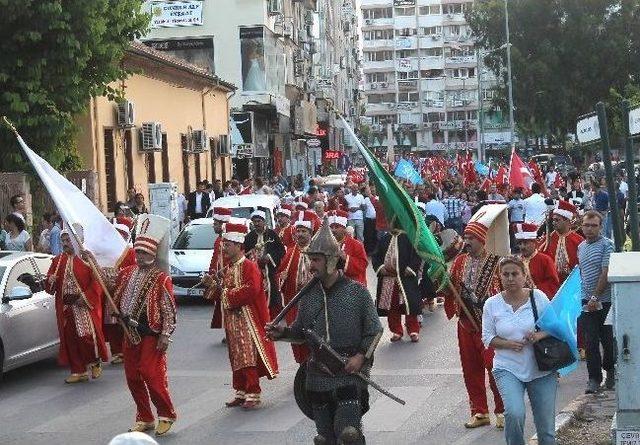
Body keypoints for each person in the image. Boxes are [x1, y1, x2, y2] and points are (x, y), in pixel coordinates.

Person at [266, 219, 384, 445]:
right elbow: (302, 332)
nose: (311, 265)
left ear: (331, 261)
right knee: (324, 439)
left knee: (349, 434)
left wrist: (360, 357)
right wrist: (283, 334)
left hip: (348, 374)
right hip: (317, 376)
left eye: (316, 260)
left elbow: (375, 330)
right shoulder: (308, 295)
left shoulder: (357, 293)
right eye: (311, 259)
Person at [109, 214, 177, 435]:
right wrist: (90, 259)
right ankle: (145, 416)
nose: (139, 256)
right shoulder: (127, 273)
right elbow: (109, 280)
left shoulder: (161, 278)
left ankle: (166, 413)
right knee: (131, 376)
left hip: (150, 334)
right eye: (137, 251)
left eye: (144, 252)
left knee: (150, 374)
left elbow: (168, 310)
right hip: (129, 333)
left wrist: (166, 335)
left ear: (153, 253)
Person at [443, 205, 506, 429]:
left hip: (490, 326)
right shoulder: (459, 262)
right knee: (470, 369)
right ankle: (479, 411)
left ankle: (502, 409)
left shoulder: (498, 263)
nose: (467, 241)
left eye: (471, 237)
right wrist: (444, 283)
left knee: (495, 367)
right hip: (465, 323)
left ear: (482, 239)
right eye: (465, 236)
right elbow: (449, 288)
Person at [483, 256, 557, 445]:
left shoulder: (538, 297)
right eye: (505, 274)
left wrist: (538, 336)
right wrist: (508, 344)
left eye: (515, 274)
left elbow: (555, 326)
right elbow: (487, 337)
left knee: (546, 429)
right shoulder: (492, 304)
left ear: (524, 276)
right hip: (507, 367)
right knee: (514, 413)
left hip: (541, 369)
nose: (510, 278)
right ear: (500, 277)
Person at [205, 223, 279, 409]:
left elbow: (251, 290)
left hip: (247, 320)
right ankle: (241, 390)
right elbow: (219, 292)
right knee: (236, 356)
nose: (224, 248)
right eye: (224, 244)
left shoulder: (249, 267)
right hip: (233, 320)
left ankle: (253, 392)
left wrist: (225, 294)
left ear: (239, 246)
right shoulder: (229, 268)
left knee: (246, 355)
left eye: (228, 245)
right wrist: (210, 284)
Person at [44, 225, 108, 383]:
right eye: (63, 240)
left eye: (68, 240)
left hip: (83, 305)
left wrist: (85, 297)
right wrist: (50, 281)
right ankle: (78, 370)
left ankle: (94, 362)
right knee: (70, 339)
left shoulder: (86, 258)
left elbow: (98, 281)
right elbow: (50, 285)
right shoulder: (58, 260)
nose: (65, 243)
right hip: (66, 307)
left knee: (86, 336)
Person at [577, 210, 615, 394]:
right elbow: (583, 274)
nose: (590, 229)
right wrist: (586, 298)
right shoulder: (581, 246)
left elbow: (605, 272)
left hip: (605, 301)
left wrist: (595, 297)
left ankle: (611, 371)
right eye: (586, 225)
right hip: (587, 301)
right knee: (590, 342)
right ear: (582, 226)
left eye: (594, 225)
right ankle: (594, 378)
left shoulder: (607, 245)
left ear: (601, 227)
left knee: (608, 340)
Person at [275, 212, 317, 363]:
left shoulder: (317, 251)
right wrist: (282, 277)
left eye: (303, 231)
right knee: (295, 334)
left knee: (313, 335)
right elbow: (280, 273)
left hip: (314, 302)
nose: (299, 234)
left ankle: (314, 362)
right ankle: (302, 364)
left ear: (310, 233)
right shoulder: (291, 252)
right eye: (298, 231)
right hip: (294, 303)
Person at [373, 222, 423, 342]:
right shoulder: (384, 239)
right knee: (392, 306)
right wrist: (381, 268)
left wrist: (410, 269)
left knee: (409, 305)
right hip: (388, 279)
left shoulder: (408, 238)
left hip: (405, 278)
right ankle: (396, 331)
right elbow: (376, 256)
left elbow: (416, 256)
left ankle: (413, 330)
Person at [102, 223, 138, 365]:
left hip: (126, 293)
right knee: (111, 324)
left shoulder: (130, 252)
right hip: (109, 293)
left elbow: (134, 270)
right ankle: (117, 351)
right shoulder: (106, 252)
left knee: (125, 322)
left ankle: (128, 350)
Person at [244, 210, 285, 319]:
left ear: (264, 221)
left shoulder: (272, 234)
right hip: (254, 272)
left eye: (259, 221)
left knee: (272, 297)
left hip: (269, 272)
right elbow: (244, 254)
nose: (257, 224)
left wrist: (269, 257)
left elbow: (281, 251)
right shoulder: (249, 237)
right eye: (254, 222)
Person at [540, 200, 583, 283]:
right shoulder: (548, 239)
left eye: (557, 220)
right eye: (553, 220)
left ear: (567, 220)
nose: (553, 223)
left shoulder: (578, 241)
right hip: (552, 283)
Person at [204, 207, 232, 331]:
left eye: (215, 224)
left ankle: (231, 331)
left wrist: (223, 273)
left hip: (228, 279)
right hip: (218, 279)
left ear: (222, 224)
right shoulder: (218, 240)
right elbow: (215, 260)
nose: (213, 227)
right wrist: (211, 273)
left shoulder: (228, 241)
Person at [514, 224, 560, 299]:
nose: (522, 247)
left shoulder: (545, 260)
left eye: (525, 243)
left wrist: (533, 290)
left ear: (534, 243)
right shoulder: (516, 262)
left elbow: (553, 284)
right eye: (520, 243)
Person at [328, 210, 368, 287]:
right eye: (331, 227)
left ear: (344, 229)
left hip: (352, 286)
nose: (333, 230)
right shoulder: (326, 244)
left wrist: (346, 258)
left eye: (336, 227)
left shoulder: (356, 245)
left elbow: (363, 265)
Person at [361, 185, 377, 255]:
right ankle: (369, 251)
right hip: (368, 220)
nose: (373, 192)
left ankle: (375, 250)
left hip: (376, 220)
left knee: (375, 235)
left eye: (374, 191)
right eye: (372, 191)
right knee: (368, 235)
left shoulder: (378, 198)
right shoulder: (366, 199)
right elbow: (363, 209)